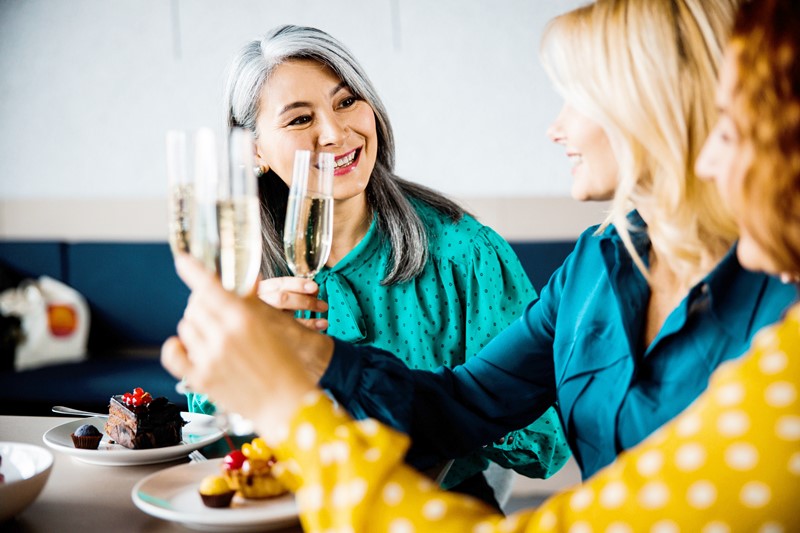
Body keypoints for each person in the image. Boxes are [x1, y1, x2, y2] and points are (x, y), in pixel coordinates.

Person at [164, 0, 799, 529]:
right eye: (300, 119)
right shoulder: (593, 267)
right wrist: (302, 357)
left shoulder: (783, 320)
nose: (554, 127)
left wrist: (287, 405)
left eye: (576, 98)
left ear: (659, 108)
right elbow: (462, 403)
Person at [186, 24, 569, 507]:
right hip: (279, 508)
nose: (336, 132)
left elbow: (545, 447)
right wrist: (242, 344)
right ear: (254, 151)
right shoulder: (240, 260)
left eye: (346, 101)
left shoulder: (465, 253)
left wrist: (446, 412)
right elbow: (206, 435)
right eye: (300, 119)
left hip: (433, 509)